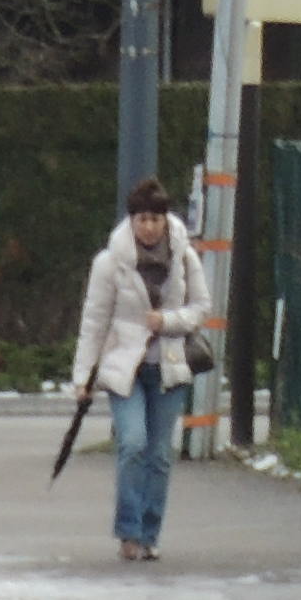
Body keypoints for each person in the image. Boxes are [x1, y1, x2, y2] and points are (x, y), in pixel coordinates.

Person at [73, 180, 213, 565]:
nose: (148, 227)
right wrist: (83, 378)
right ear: (131, 220)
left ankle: (150, 534)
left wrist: (167, 320)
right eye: (141, 219)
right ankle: (128, 533)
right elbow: (95, 320)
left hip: (168, 366)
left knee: (159, 455)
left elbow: (202, 307)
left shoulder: (185, 257)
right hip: (125, 368)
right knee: (132, 443)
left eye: (155, 219)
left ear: (165, 220)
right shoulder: (110, 262)